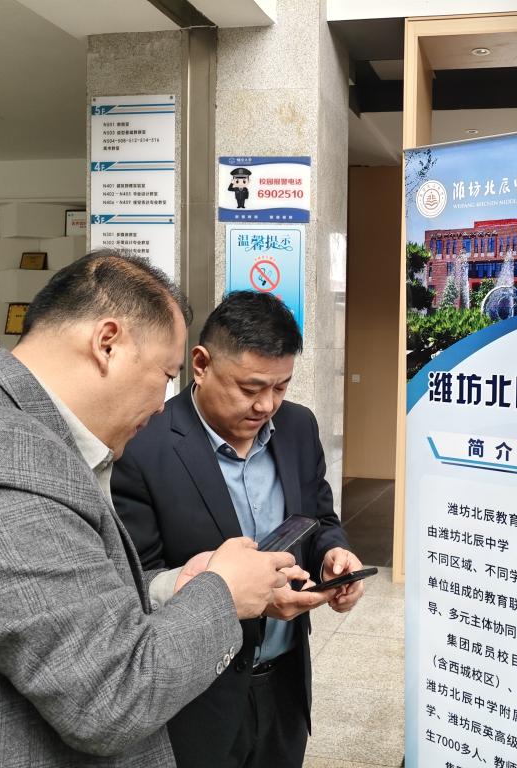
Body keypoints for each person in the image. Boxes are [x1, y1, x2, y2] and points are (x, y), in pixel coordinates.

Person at [0, 251, 297, 767]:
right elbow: (111, 698)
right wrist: (223, 594)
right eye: (165, 375)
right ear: (107, 343)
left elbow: (58, 618)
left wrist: (173, 587)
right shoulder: (0, 459)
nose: (162, 404)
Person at [112, 290, 365, 768]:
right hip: (198, 699)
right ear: (201, 365)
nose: (266, 405)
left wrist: (334, 556)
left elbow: (319, 518)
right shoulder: (145, 447)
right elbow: (135, 583)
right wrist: (243, 596)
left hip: (284, 685)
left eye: (281, 387)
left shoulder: (298, 427)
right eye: (250, 388)